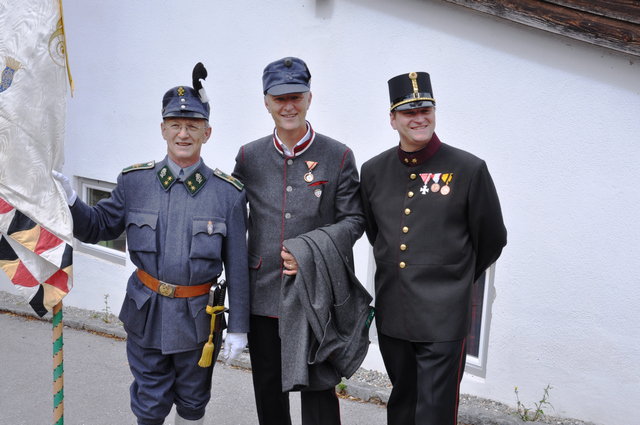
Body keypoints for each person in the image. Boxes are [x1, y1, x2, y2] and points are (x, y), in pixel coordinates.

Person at [52, 64, 250, 425]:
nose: (183, 133)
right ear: (163, 129)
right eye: (175, 124)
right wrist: (70, 201)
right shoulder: (135, 182)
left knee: (193, 403)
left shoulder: (228, 195)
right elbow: (97, 227)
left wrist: (239, 325)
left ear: (207, 132)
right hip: (146, 314)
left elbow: (237, 267)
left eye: (192, 126)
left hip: (197, 321)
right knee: (149, 402)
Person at [359, 71, 507, 425]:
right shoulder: (374, 171)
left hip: (444, 318)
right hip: (395, 314)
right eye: (409, 112)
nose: (419, 118)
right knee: (402, 407)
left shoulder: (468, 169)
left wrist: (453, 281)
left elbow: (492, 238)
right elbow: (375, 231)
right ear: (393, 119)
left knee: (434, 415)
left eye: (426, 108)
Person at [232, 56, 366, 425]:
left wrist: (309, 251)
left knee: (319, 392)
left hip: (314, 294)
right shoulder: (249, 156)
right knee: (269, 392)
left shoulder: (337, 155)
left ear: (309, 98)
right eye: (279, 99)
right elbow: (230, 216)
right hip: (264, 293)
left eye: (296, 97)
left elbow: (355, 220)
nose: (288, 106)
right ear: (266, 102)